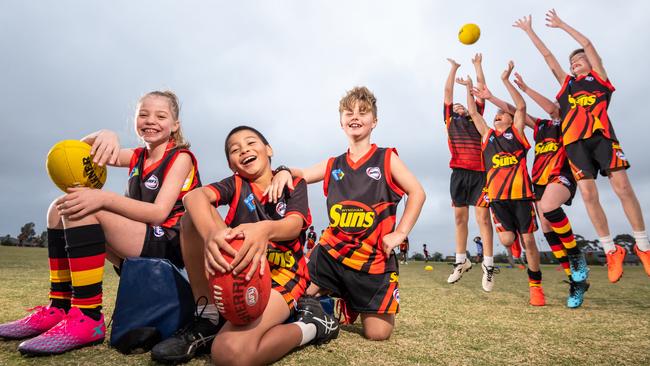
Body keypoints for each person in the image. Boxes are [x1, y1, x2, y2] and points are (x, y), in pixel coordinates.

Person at [0, 91, 201, 355]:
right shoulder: (137, 156)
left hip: (171, 247)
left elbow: (158, 214)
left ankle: (88, 317)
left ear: (175, 125)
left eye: (161, 116)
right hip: (143, 240)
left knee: (83, 206)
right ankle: (59, 306)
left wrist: (102, 198)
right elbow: (79, 153)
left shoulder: (180, 157)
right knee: (57, 208)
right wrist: (105, 134)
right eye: (143, 114)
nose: (150, 120)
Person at [152, 126, 339, 365]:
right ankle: (207, 319)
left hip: (283, 276)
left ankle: (313, 326)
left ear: (268, 149)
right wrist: (211, 235)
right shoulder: (236, 184)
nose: (244, 150)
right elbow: (193, 197)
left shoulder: (292, 182)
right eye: (234, 149)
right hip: (244, 269)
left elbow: (294, 225)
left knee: (229, 352)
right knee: (190, 220)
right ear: (232, 165)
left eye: (251, 143)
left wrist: (264, 229)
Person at [266, 86, 426, 340]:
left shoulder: (386, 158)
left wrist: (400, 233)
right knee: (296, 296)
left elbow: (417, 192)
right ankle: (323, 306)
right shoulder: (334, 164)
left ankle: (346, 300)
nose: (355, 116)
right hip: (331, 254)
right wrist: (284, 170)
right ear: (341, 122)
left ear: (374, 121)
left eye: (363, 112)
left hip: (372, 261)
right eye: (348, 112)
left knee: (378, 334)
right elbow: (303, 175)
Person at [514, 11, 650, 281]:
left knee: (622, 187)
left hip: (601, 138)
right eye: (572, 61)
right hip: (575, 144)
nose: (575, 62)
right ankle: (611, 251)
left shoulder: (600, 80)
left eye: (579, 60)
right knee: (588, 195)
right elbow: (548, 58)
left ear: (592, 63)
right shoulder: (567, 85)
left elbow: (588, 45)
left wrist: (562, 25)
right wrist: (530, 32)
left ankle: (643, 246)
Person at [473, 72, 589, 307]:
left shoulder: (569, 124)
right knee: (546, 228)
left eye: (558, 103)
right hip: (539, 181)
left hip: (561, 175)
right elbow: (516, 112)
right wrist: (492, 97)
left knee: (546, 215)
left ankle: (576, 259)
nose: (553, 106)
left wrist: (521, 88)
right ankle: (575, 279)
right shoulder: (542, 126)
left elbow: (524, 108)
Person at [457, 62, 545, 306]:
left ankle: (535, 286)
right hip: (497, 198)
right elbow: (474, 113)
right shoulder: (487, 136)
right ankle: (512, 240)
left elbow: (521, 107)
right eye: (495, 116)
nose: (496, 117)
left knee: (529, 242)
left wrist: (505, 81)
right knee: (507, 240)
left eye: (500, 115)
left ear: (509, 119)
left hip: (521, 196)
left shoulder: (517, 133)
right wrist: (468, 88)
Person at [443, 55, 496, 292]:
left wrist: (477, 67)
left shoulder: (476, 118)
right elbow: (447, 92)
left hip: (480, 174)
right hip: (459, 174)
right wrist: (453, 69)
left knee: (483, 219)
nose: (458, 106)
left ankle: (488, 265)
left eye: (462, 104)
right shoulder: (449, 121)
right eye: (454, 106)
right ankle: (461, 260)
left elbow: (481, 89)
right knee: (459, 219)